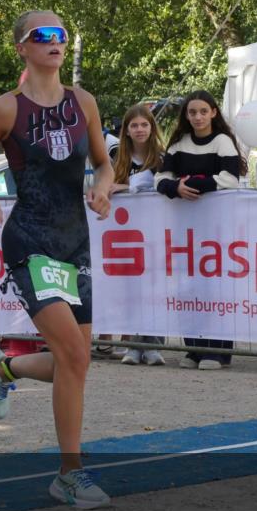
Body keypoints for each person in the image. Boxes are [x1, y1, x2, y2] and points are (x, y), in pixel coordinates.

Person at [0, 10, 115, 509]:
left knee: (78, 360)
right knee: (73, 355)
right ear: (22, 48)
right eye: (42, 36)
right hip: (29, 239)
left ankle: (4, 369)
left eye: (62, 35)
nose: (55, 42)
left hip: (75, 240)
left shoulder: (84, 102)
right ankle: (69, 475)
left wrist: (104, 189)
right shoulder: (4, 109)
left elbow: (104, 162)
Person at [155, 90, 242, 370]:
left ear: (213, 112)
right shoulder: (178, 142)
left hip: (215, 228)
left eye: (203, 111)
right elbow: (162, 177)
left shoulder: (223, 142)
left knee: (214, 286)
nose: (198, 117)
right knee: (186, 286)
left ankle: (218, 351)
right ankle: (194, 348)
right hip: (184, 228)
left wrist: (191, 184)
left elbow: (230, 180)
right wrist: (176, 188)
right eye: (192, 112)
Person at [98, 103, 168, 366]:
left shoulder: (162, 157)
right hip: (128, 234)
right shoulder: (118, 161)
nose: (139, 130)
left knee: (155, 287)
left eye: (144, 125)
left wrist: (127, 186)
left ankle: (153, 344)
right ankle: (132, 344)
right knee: (131, 288)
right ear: (126, 130)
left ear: (152, 128)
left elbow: (160, 186)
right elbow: (108, 187)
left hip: (156, 231)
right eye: (134, 125)